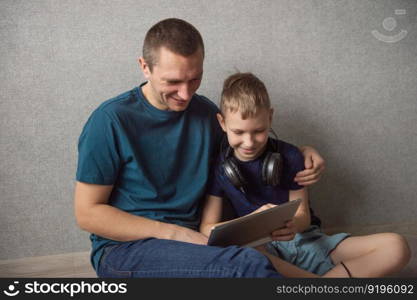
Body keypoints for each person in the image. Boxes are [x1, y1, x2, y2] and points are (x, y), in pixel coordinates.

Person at [74, 18, 325, 278]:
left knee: (254, 262)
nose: (185, 94)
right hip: (125, 250)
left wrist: (303, 150)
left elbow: (246, 147)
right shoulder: (109, 120)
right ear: (144, 67)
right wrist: (174, 233)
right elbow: (87, 214)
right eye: (173, 82)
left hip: (197, 242)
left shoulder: (207, 114)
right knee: (247, 267)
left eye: (195, 79)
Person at [199, 72, 411, 278]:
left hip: (306, 241)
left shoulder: (290, 156)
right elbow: (207, 228)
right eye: (239, 132)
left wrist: (293, 225)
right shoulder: (219, 169)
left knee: (396, 246)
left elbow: (303, 216)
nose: (249, 142)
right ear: (222, 123)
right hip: (263, 251)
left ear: (270, 118)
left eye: (258, 131)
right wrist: (250, 221)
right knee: (246, 256)